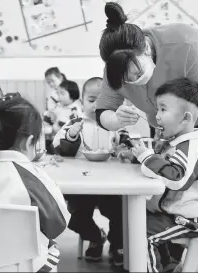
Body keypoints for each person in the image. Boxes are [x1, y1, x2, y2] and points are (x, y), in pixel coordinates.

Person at [0, 95, 70, 272]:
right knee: (51, 248)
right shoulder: (31, 175)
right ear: (30, 141)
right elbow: (59, 222)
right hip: (17, 266)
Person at [95, 2, 198, 148]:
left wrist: (172, 137)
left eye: (137, 73)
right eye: (126, 79)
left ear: (146, 50)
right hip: (158, 116)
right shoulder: (114, 67)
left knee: (188, 160)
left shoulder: (187, 45)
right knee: (159, 162)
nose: (134, 82)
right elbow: (103, 110)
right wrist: (115, 120)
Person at [131, 78, 198, 273]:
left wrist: (148, 157)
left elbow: (178, 178)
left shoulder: (191, 145)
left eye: (163, 109)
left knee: (142, 235)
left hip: (191, 218)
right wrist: (141, 156)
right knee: (134, 219)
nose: (157, 116)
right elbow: (160, 168)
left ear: (185, 118)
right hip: (172, 211)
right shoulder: (175, 142)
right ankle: (167, 265)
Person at [52, 77, 124, 266]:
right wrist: (72, 134)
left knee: (119, 213)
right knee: (73, 217)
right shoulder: (75, 122)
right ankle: (95, 236)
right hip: (80, 185)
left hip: (109, 184)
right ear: (81, 101)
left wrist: (124, 148)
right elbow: (59, 147)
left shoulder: (115, 125)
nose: (96, 107)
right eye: (91, 101)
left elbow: (126, 147)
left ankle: (118, 244)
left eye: (103, 103)